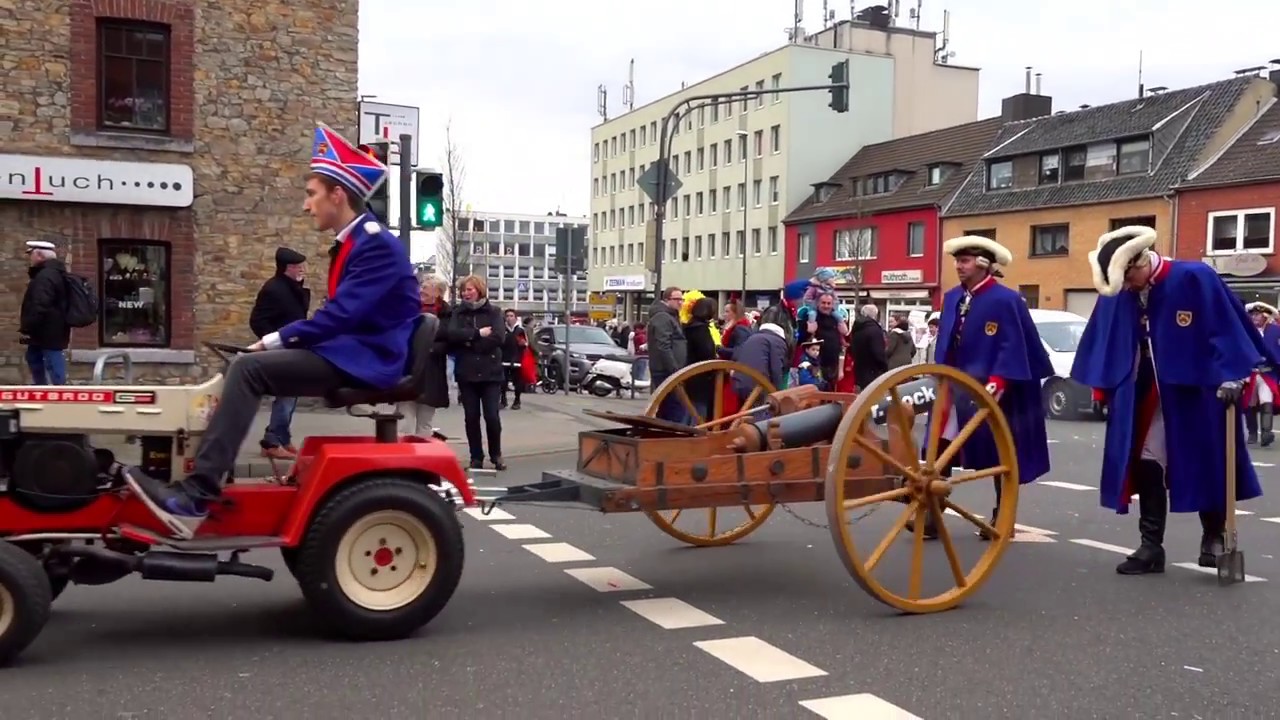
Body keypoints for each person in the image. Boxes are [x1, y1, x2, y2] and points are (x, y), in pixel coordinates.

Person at [125, 122, 422, 538]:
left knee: (249, 369)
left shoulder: (375, 244)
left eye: (311, 194)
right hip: (351, 349)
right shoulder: (359, 241)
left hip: (366, 358)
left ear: (338, 194)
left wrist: (271, 340)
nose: (307, 205)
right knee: (242, 365)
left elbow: (339, 317)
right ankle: (200, 475)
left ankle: (196, 495)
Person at [1071, 226, 1278, 574]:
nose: (1128, 286)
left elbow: (1227, 328)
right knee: (1146, 461)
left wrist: (1234, 375)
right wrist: (1103, 387)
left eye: (1129, 277)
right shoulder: (1120, 290)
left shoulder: (1195, 277)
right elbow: (1106, 340)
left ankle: (1213, 535)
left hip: (1198, 389)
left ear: (1140, 261)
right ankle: (1151, 545)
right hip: (1143, 391)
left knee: (1206, 460)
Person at [924, 235, 1053, 539]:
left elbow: (1012, 344)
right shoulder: (953, 296)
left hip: (993, 388)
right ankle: (931, 511)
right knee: (939, 446)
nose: (959, 266)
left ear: (983, 265)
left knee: (1000, 452)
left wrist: (999, 380)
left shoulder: (1006, 300)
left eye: (965, 261)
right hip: (954, 386)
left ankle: (1002, 514)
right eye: (957, 260)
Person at [248, 247, 311, 459]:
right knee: (286, 395)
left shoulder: (294, 288)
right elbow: (257, 320)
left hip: (294, 348)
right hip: (282, 349)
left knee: (290, 395)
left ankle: (282, 438)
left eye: (302, 266)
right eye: (297, 267)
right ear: (286, 269)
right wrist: (274, 341)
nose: (302, 270)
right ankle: (272, 441)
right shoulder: (274, 289)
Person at [445, 275, 507, 471]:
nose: (466, 293)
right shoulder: (458, 312)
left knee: (491, 416)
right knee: (471, 417)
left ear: (479, 290)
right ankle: (476, 456)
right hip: (467, 372)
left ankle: (496, 454)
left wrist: (470, 343)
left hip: (491, 373)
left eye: (469, 289)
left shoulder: (494, 311)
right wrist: (477, 334)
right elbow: (452, 335)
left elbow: (498, 337)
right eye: (463, 290)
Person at [398, 273, 451, 436]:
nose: (421, 290)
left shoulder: (447, 314)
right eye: (421, 286)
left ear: (438, 293)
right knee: (403, 421)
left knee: (425, 422)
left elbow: (450, 340)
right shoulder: (408, 308)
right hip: (409, 369)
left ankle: (421, 458)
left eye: (426, 287)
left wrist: (429, 348)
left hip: (432, 374)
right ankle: (402, 457)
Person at [19, 240, 70, 386]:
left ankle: (58, 390)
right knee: (33, 356)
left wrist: (28, 327)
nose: (30, 259)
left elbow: (39, 304)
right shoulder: (54, 273)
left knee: (52, 358)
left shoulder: (45, 276)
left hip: (46, 328)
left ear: (40, 255)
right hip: (50, 326)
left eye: (32, 254)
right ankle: (41, 387)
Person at [646, 286, 687, 421]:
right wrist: (674, 369)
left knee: (668, 407)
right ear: (666, 300)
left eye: (682, 299)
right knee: (674, 407)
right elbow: (663, 346)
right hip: (665, 371)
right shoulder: (663, 317)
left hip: (668, 370)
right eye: (676, 299)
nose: (680, 302)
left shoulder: (670, 315)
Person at [1243, 302, 1280, 446]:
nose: (1255, 317)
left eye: (1258, 315)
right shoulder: (1247, 331)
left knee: (1267, 400)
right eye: (1253, 314)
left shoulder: (1274, 331)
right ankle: (1252, 433)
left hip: (1267, 373)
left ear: (1265, 316)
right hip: (1251, 373)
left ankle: (1266, 433)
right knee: (1250, 403)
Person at [681, 295, 719, 421]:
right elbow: (706, 352)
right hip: (701, 377)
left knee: (689, 408)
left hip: (690, 373)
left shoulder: (689, 327)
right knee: (698, 410)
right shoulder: (700, 330)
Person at [848, 304, 887, 390]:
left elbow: (851, 347)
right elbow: (878, 352)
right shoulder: (874, 330)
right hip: (873, 371)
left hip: (859, 369)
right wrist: (884, 366)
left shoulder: (857, 328)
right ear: (875, 315)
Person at [500, 308, 531, 409]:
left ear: (515, 318)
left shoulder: (520, 330)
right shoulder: (502, 330)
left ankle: (517, 400)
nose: (509, 318)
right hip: (504, 360)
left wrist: (523, 344)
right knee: (502, 382)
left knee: (517, 382)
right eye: (507, 316)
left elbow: (525, 344)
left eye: (511, 316)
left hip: (517, 360)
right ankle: (503, 400)